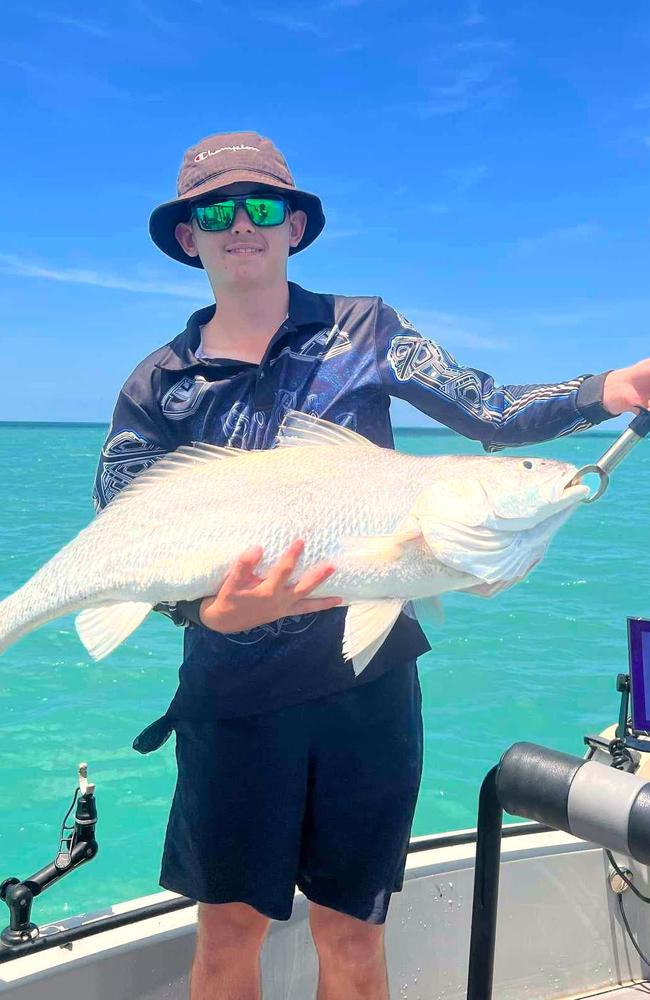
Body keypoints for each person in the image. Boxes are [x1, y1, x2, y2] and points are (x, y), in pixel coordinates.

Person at [93, 130, 650, 1000]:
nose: (243, 223)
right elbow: (125, 532)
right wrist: (206, 615)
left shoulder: (367, 330)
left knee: (352, 937)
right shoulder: (158, 383)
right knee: (230, 933)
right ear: (188, 236)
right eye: (217, 210)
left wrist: (610, 388)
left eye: (263, 206)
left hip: (370, 692)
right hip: (232, 699)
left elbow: (487, 412)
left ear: (295, 228)